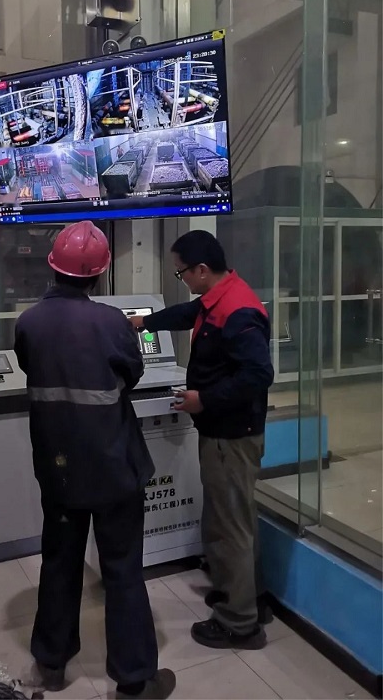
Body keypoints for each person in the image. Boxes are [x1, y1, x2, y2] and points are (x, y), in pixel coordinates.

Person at [14, 221, 175, 700]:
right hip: (113, 467)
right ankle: (133, 680)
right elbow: (132, 372)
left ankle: (50, 663)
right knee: (122, 569)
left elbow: (31, 367)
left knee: (58, 563)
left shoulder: (29, 322)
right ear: (100, 274)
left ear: (53, 267)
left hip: (58, 469)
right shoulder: (111, 322)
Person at [129, 230, 273, 651]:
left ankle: (240, 623)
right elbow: (186, 313)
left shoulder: (238, 310)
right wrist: (143, 322)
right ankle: (243, 595)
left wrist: (203, 399)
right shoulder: (217, 297)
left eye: (182, 273)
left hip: (233, 436)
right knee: (232, 518)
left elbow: (258, 375)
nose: (183, 279)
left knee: (232, 525)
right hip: (222, 432)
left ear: (203, 269)